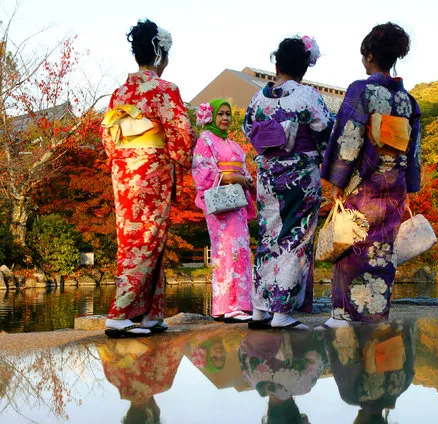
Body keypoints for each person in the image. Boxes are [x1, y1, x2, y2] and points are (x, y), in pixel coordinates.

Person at [320, 23, 421, 327]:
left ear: (371, 55)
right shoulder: (407, 100)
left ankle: (344, 315)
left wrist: (337, 181)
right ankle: (376, 313)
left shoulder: (362, 90)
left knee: (352, 245)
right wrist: (409, 184)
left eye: (364, 55)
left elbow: (349, 140)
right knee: (382, 250)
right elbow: (413, 148)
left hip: (364, 182)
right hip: (394, 183)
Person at [101, 20, 194, 337]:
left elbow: (107, 137)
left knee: (135, 240)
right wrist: (181, 158)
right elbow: (180, 135)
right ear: (160, 55)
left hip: (124, 172)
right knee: (146, 240)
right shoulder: (165, 91)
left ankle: (152, 314)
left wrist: (124, 158)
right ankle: (119, 313)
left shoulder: (120, 92)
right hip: (151, 171)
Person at [243, 36, 334, 330]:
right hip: (299, 174)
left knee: (268, 235)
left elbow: (248, 129)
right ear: (304, 67)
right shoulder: (307, 96)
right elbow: (327, 132)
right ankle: (281, 311)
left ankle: (259, 308)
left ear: (276, 62)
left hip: (267, 173)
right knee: (295, 236)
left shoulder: (258, 98)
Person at [193, 99, 256, 324]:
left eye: (228, 114)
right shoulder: (205, 140)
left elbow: (241, 168)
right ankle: (231, 306)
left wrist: (245, 179)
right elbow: (203, 173)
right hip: (220, 202)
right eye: (220, 114)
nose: (225, 118)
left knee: (238, 251)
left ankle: (234, 305)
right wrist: (235, 177)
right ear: (211, 116)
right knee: (226, 251)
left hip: (236, 201)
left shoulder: (230, 142)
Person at [324, 320, 415, 424]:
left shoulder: (403, 385)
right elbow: (338, 356)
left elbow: (409, 338)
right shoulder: (351, 396)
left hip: (394, 319)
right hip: (359, 321)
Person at [97, 337, 185, 424]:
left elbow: (177, 340)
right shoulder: (112, 377)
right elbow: (101, 342)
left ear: (151, 416)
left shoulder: (163, 383)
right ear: (128, 417)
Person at [238, 331, 326, 424]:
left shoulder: (304, 384)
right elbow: (242, 347)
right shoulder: (250, 379)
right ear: (269, 414)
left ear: (297, 414)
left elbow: (319, 346)